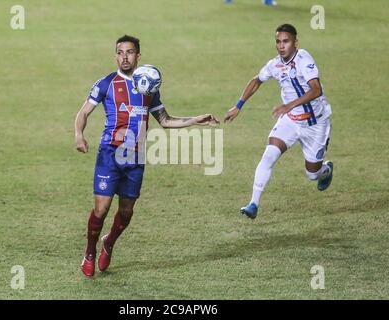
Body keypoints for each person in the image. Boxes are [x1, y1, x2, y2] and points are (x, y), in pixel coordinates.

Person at [75, 35, 219, 277]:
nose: (124, 57)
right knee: (101, 208)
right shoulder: (106, 84)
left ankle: (109, 242)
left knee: (127, 212)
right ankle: (90, 251)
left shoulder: (148, 86)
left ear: (138, 56)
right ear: (115, 56)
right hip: (110, 153)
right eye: (120, 52)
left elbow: (165, 120)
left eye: (129, 52)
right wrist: (78, 134)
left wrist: (195, 120)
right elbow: (84, 111)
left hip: (136, 157)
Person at [224, 24, 333, 219]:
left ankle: (326, 170)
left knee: (312, 174)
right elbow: (256, 80)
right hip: (290, 121)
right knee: (269, 155)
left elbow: (316, 90)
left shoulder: (303, 59)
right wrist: (238, 105)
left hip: (315, 124)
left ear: (295, 42)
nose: (281, 46)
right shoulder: (274, 65)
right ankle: (253, 204)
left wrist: (289, 105)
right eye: (278, 42)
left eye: (286, 41)